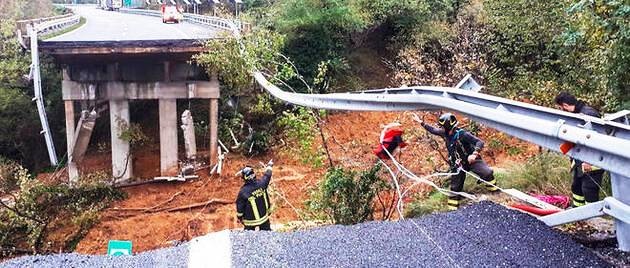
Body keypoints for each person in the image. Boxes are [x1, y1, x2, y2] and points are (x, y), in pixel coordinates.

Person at [412, 113, 498, 210]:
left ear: (448, 127)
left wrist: (474, 154)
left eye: (443, 127)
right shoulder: (444, 133)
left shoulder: (462, 134)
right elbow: (433, 130)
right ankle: (452, 210)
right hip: (458, 165)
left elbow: (479, 142)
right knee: (455, 188)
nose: (441, 129)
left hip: (471, 161)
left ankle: (495, 192)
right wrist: (421, 123)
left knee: (487, 172)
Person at [554, 92, 604, 207]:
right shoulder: (576, 115)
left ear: (565, 105)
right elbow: (574, 137)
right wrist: (564, 150)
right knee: (577, 188)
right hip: (579, 161)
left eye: (561, 108)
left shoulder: (589, 115)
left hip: (592, 162)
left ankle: (592, 218)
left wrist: (588, 161)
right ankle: (577, 213)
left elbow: (596, 140)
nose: (562, 111)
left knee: (589, 190)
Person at [235, 160, 273, 230]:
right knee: (268, 236)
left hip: (250, 222)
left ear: (245, 178)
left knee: (248, 238)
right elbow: (268, 175)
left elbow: (240, 207)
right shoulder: (262, 183)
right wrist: (270, 165)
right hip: (264, 219)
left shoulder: (243, 192)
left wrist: (239, 218)